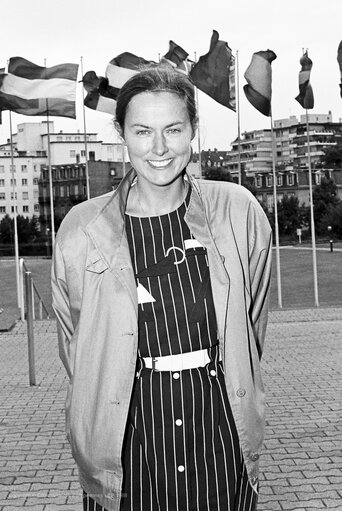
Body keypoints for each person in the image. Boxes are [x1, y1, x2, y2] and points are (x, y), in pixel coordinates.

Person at [52, 64, 272, 511]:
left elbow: (251, 326)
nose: (158, 148)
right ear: (122, 133)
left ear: (193, 128)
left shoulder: (237, 211)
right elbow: (76, 343)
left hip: (217, 431)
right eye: (142, 131)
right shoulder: (83, 228)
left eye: (172, 129)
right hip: (126, 440)